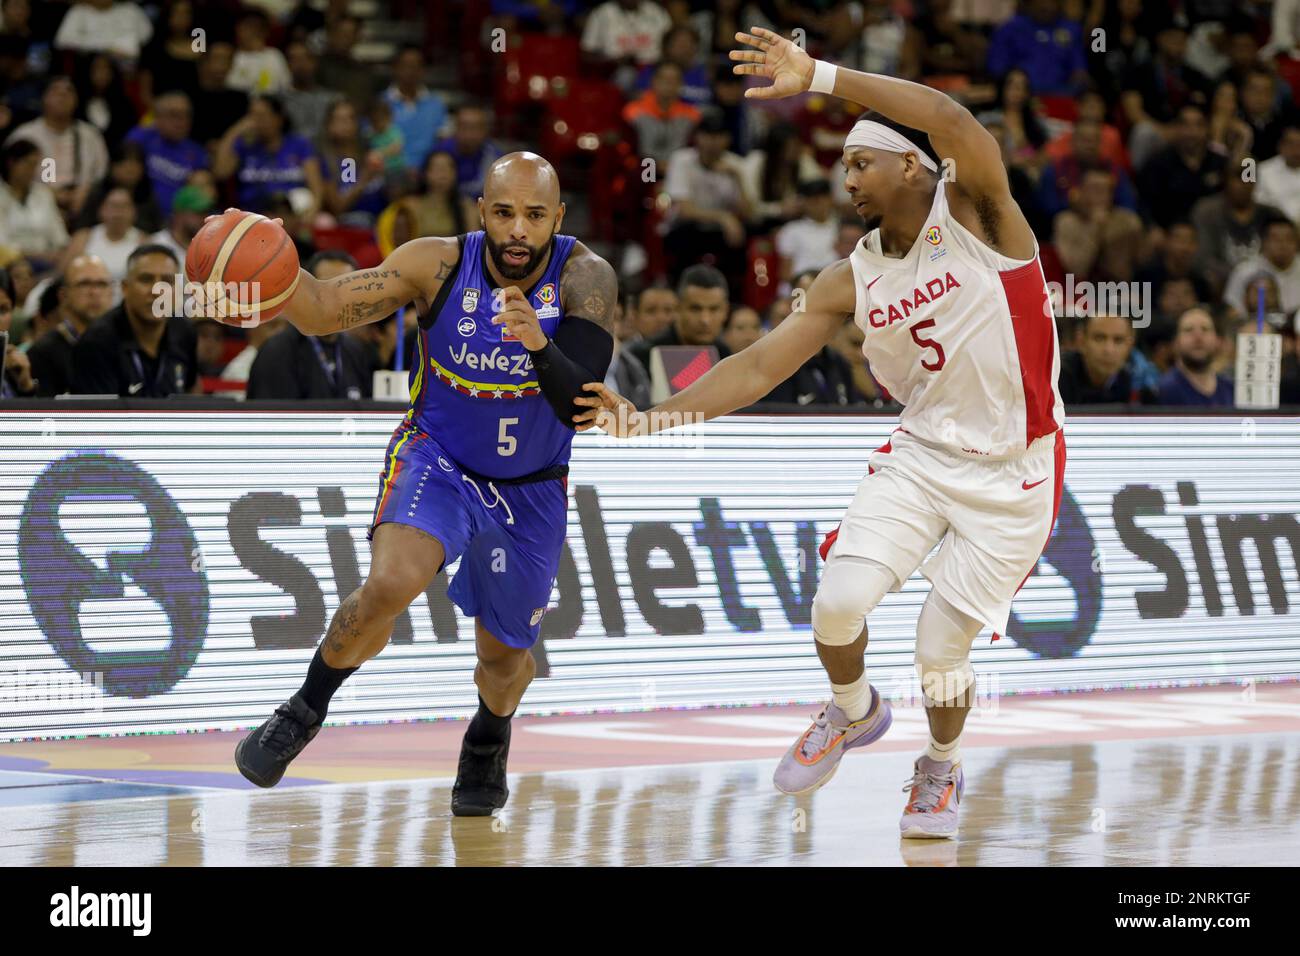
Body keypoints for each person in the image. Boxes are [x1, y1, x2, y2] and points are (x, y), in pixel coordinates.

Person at [578, 29, 1066, 840]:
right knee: (836, 606)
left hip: (1017, 470)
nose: (846, 178)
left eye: (858, 163)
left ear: (910, 165)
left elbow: (949, 115)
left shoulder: (981, 215)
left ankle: (940, 767)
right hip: (921, 454)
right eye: (839, 166)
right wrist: (651, 417)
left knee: (941, 655)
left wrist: (822, 77)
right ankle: (851, 710)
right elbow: (760, 365)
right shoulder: (851, 278)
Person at [231, 151, 619, 819]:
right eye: (504, 213)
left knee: (503, 664)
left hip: (532, 485)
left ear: (558, 217)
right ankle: (305, 707)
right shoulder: (434, 263)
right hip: (439, 459)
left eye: (533, 215)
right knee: (391, 583)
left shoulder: (587, 277)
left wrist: (536, 344)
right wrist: (263, 264)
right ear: (481, 214)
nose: (518, 230)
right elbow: (323, 310)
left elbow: (577, 402)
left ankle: (487, 738)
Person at [71, 244, 198, 397]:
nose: (157, 290)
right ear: (125, 288)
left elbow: (192, 389)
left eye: (167, 281)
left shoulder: (185, 332)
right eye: (146, 279)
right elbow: (98, 417)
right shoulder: (97, 342)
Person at [247, 251, 375, 400]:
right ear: (309, 291)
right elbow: (269, 419)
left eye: (349, 289)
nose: (340, 298)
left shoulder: (356, 351)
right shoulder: (277, 351)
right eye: (328, 288)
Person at [626, 264, 732, 372]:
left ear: (726, 311)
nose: (705, 320)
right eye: (695, 309)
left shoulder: (725, 355)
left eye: (714, 309)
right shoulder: (643, 355)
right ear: (677, 308)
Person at [1057, 313, 1154, 405]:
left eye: (1118, 340)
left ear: (1130, 345)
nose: (1108, 350)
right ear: (1081, 341)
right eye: (1099, 338)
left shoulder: (1133, 383)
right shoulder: (1056, 379)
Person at [1156, 307, 1233, 406]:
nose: (1198, 337)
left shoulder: (1230, 389)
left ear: (1218, 340)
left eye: (1205, 329)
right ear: (1175, 342)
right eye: (1188, 330)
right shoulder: (1165, 390)